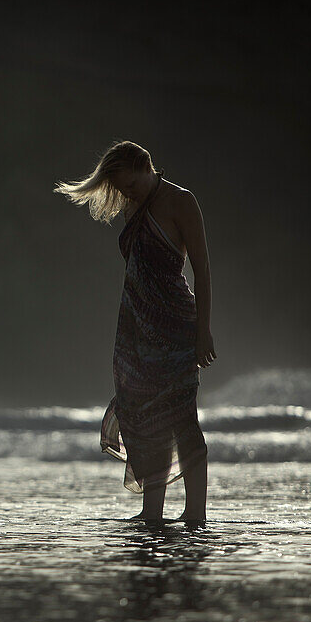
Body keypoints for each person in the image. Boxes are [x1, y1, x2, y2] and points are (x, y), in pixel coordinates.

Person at [55, 141, 216, 523]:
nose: (127, 194)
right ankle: (151, 511)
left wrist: (203, 331)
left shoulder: (182, 201)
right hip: (135, 329)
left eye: (131, 185)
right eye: (122, 189)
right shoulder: (132, 205)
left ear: (145, 166)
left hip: (176, 325)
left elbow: (203, 272)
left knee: (181, 416)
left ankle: (196, 514)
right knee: (143, 417)